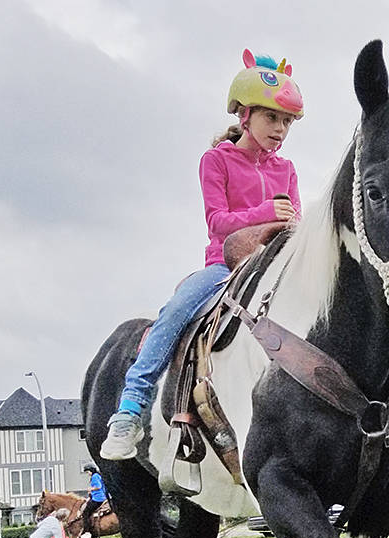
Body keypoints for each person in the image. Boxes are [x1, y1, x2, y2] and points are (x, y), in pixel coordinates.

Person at [101, 49, 304, 459]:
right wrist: (267, 212)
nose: (280, 129)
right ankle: (130, 408)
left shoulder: (288, 169)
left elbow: (295, 226)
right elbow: (218, 221)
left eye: (286, 122)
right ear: (245, 115)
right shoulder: (216, 161)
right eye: (271, 118)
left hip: (277, 266)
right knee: (175, 312)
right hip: (224, 267)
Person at [81, 465, 107, 538]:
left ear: (91, 470)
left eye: (87, 472)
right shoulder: (98, 475)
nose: (87, 473)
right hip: (99, 497)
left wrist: (90, 489)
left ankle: (87, 532)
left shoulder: (95, 476)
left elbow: (98, 486)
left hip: (98, 498)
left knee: (85, 513)